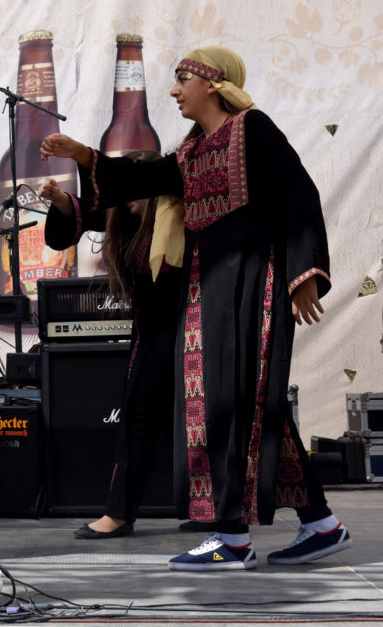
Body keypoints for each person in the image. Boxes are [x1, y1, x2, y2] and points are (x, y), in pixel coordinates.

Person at [40, 46, 351, 571]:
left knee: (228, 405)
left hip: (254, 280)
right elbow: (140, 179)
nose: (174, 89)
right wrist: (84, 156)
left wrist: (305, 275)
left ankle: (232, 539)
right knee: (243, 405)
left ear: (213, 83)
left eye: (183, 78)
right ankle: (319, 523)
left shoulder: (254, 129)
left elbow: (299, 196)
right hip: (209, 289)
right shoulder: (190, 152)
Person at [40, 159, 182, 541]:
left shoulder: (181, 218)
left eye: (137, 187)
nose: (127, 198)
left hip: (185, 332)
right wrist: (59, 200)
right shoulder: (128, 219)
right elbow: (82, 217)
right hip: (153, 333)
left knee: (171, 421)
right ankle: (124, 512)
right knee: (145, 419)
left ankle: (131, 513)